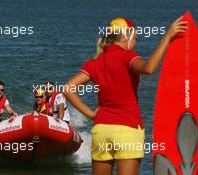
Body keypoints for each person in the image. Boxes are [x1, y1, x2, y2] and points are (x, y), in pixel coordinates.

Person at [63, 17, 187, 175]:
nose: (135, 42)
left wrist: (91, 114)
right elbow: (149, 68)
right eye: (135, 38)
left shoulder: (94, 63)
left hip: (102, 130)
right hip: (127, 129)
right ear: (125, 37)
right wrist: (168, 36)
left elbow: (68, 88)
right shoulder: (127, 56)